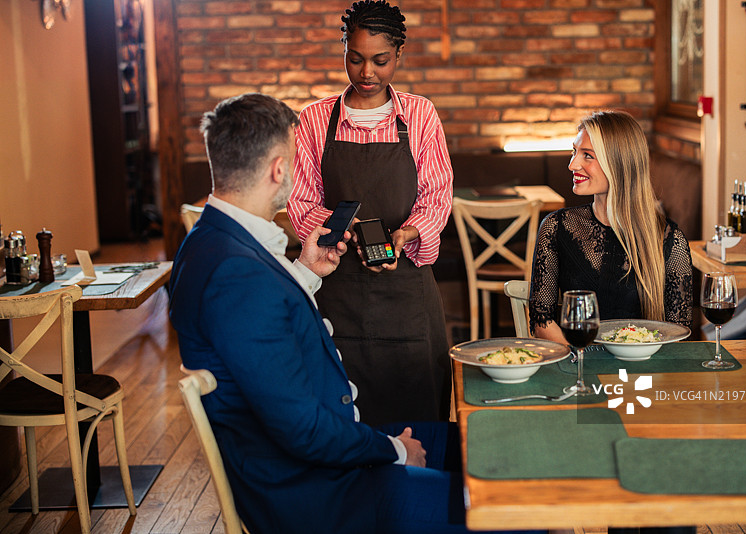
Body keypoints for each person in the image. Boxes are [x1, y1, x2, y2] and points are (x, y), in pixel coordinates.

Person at [169, 93, 539, 534]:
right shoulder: (234, 274)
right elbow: (302, 430)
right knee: (519, 508)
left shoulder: (215, 242)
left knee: (496, 448)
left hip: (329, 454)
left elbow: (268, 325)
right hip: (320, 494)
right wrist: (392, 450)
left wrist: (305, 272)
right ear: (278, 169)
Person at [288, 0, 453, 425]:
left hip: (407, 297)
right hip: (334, 289)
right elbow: (301, 202)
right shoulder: (314, 119)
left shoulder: (419, 115)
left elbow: (437, 196)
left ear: (399, 54)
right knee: (341, 416)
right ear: (344, 49)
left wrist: (408, 233)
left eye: (380, 61)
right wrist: (338, 228)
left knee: (419, 415)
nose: (367, 73)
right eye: (355, 58)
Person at [529, 110, 693, 343]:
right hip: (578, 367)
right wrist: (581, 362)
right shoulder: (556, 227)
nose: (572, 164)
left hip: (642, 372)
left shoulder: (670, 240)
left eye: (587, 155)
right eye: (574, 152)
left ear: (617, 164)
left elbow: (679, 334)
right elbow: (541, 321)